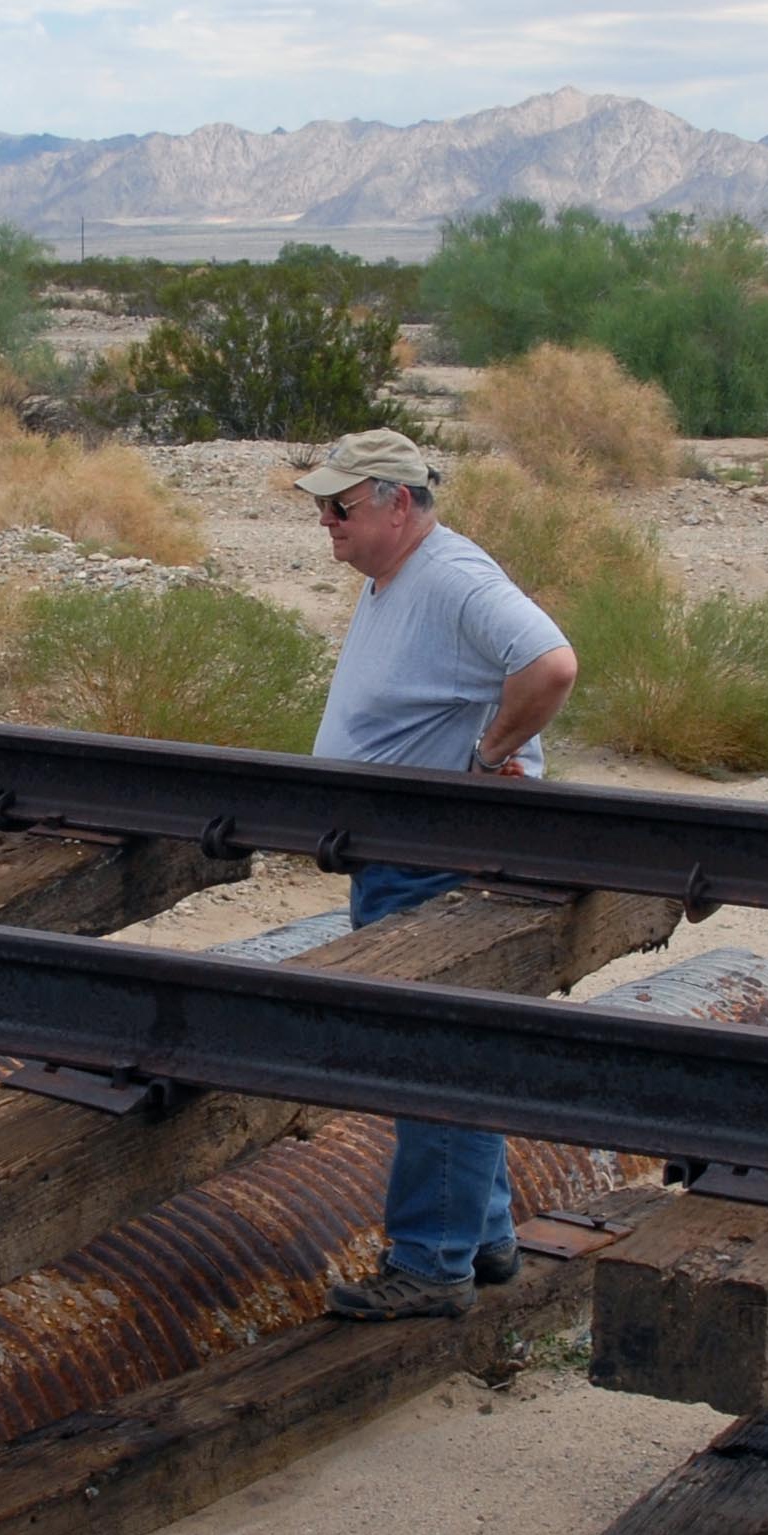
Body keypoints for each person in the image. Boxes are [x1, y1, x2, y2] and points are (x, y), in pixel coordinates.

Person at [292, 426, 580, 1320]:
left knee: (430, 1059)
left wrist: (494, 753)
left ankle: (430, 1262)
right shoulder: (396, 578)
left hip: (434, 865)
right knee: (455, 1049)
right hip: (399, 857)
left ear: (397, 503)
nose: (327, 521)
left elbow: (551, 663)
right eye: (322, 506)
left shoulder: (451, 576)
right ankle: (484, 1236)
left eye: (342, 505)